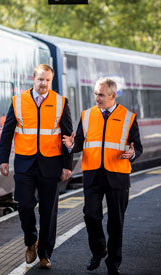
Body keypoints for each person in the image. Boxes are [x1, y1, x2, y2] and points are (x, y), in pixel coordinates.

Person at [62, 77, 143, 275]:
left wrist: (132, 154)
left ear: (113, 96)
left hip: (118, 176)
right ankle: (99, 251)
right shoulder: (87, 115)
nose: (96, 98)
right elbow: (80, 142)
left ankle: (113, 263)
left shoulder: (128, 118)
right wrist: (71, 145)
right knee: (90, 215)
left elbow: (137, 147)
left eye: (101, 95)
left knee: (116, 222)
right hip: (93, 174)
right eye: (95, 94)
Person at [0, 64, 73, 269]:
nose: (44, 84)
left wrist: (67, 166)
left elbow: (68, 137)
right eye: (41, 79)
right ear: (33, 79)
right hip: (25, 163)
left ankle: (45, 254)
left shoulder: (60, 102)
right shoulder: (18, 101)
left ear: (51, 80)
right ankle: (31, 241)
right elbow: (7, 132)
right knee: (24, 205)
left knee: (49, 211)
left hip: (51, 164)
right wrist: (3, 160)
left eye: (48, 80)